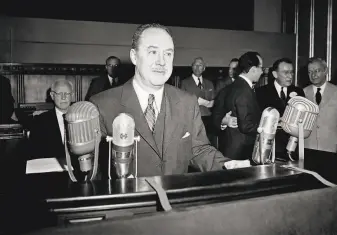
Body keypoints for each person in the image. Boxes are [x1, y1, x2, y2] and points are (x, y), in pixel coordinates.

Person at [89, 23, 250, 178]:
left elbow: (199, 150)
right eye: (153, 52)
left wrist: (229, 166)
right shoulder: (101, 106)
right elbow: (94, 173)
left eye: (168, 53)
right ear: (134, 57)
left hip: (176, 203)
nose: (161, 61)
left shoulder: (187, 102)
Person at [213, 51, 263, 160]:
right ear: (253, 69)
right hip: (242, 152)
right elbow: (246, 126)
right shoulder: (244, 90)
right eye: (261, 68)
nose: (262, 72)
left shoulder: (230, 88)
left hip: (229, 149)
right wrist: (268, 126)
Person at [256, 58, 305, 159]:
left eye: (291, 72)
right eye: (286, 72)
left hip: (293, 147)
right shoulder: (261, 92)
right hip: (270, 147)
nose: (290, 76)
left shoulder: (299, 92)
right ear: (275, 74)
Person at [29, 79, 73, 160]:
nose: (64, 97)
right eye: (60, 94)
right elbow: (35, 153)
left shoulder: (82, 118)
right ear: (52, 96)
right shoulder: (39, 122)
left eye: (67, 93)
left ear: (72, 95)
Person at [304, 57, 337, 153]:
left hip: (331, 149)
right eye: (310, 72)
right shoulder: (302, 93)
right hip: (307, 149)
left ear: (325, 71)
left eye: (317, 71)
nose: (313, 75)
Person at [180, 57, 215, 145]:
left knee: (206, 144)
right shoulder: (185, 83)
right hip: (192, 118)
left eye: (200, 65)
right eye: (195, 65)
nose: (197, 67)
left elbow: (214, 101)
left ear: (204, 68)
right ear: (192, 67)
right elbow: (181, 103)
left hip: (207, 119)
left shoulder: (209, 83)